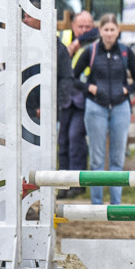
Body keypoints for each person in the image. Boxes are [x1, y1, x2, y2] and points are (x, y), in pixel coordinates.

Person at [72, 14, 135, 206]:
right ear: (100, 31)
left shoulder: (126, 52)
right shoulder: (91, 51)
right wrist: (89, 88)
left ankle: (116, 203)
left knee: (117, 158)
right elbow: (73, 77)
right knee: (97, 159)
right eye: (106, 29)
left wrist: (127, 89)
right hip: (96, 108)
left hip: (120, 107)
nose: (109, 33)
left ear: (118, 31)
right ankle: (96, 203)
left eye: (113, 29)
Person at [57, 11, 98, 199]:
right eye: (80, 26)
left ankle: (77, 182)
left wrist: (77, 43)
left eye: (87, 26)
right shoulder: (62, 36)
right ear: (72, 25)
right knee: (62, 141)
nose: (83, 30)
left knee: (76, 139)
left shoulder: (94, 40)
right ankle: (63, 182)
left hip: (83, 97)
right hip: (65, 96)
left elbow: (98, 32)